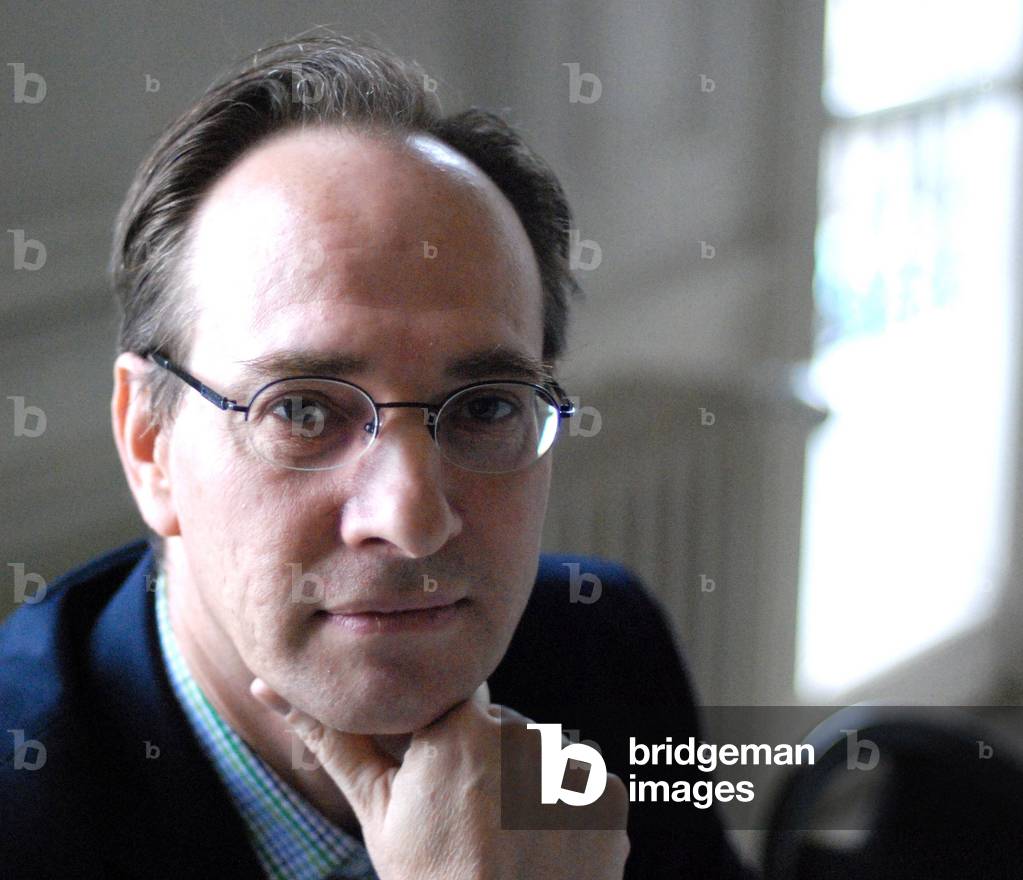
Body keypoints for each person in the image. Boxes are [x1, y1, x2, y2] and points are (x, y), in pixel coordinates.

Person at [0, 33, 752, 880]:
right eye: (305, 410)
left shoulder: (602, 652)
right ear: (149, 443)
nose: (411, 518)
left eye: (488, 407)